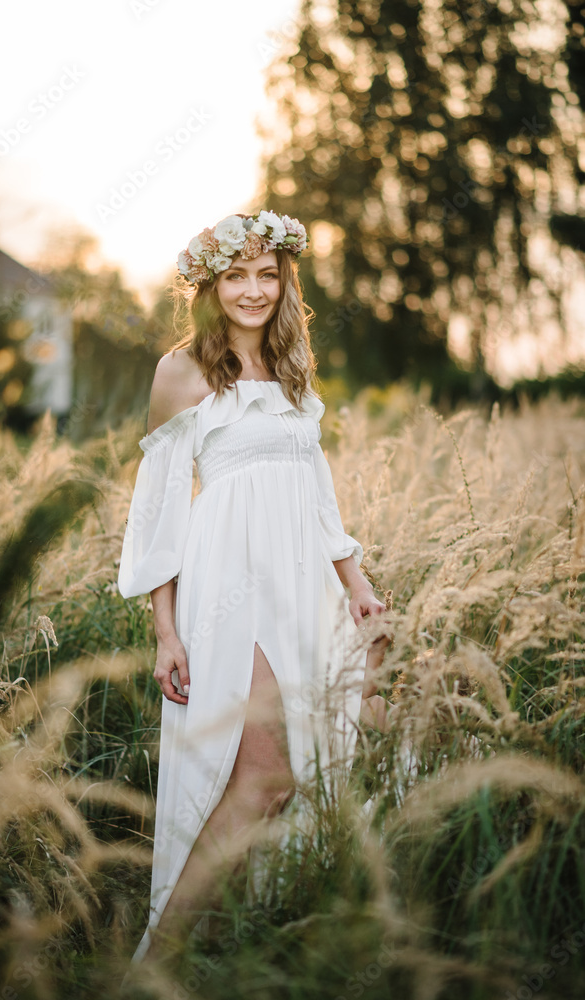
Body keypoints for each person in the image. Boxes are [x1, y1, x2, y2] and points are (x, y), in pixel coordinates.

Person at [117, 211, 386, 975]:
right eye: (237, 274)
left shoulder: (293, 364)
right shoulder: (181, 372)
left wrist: (357, 587)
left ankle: (231, 944)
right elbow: (160, 514)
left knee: (311, 761)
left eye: (268, 274)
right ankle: (156, 963)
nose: (254, 289)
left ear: (285, 280)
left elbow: (316, 493)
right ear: (210, 283)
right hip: (227, 583)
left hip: (302, 580)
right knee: (266, 776)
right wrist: (165, 631)